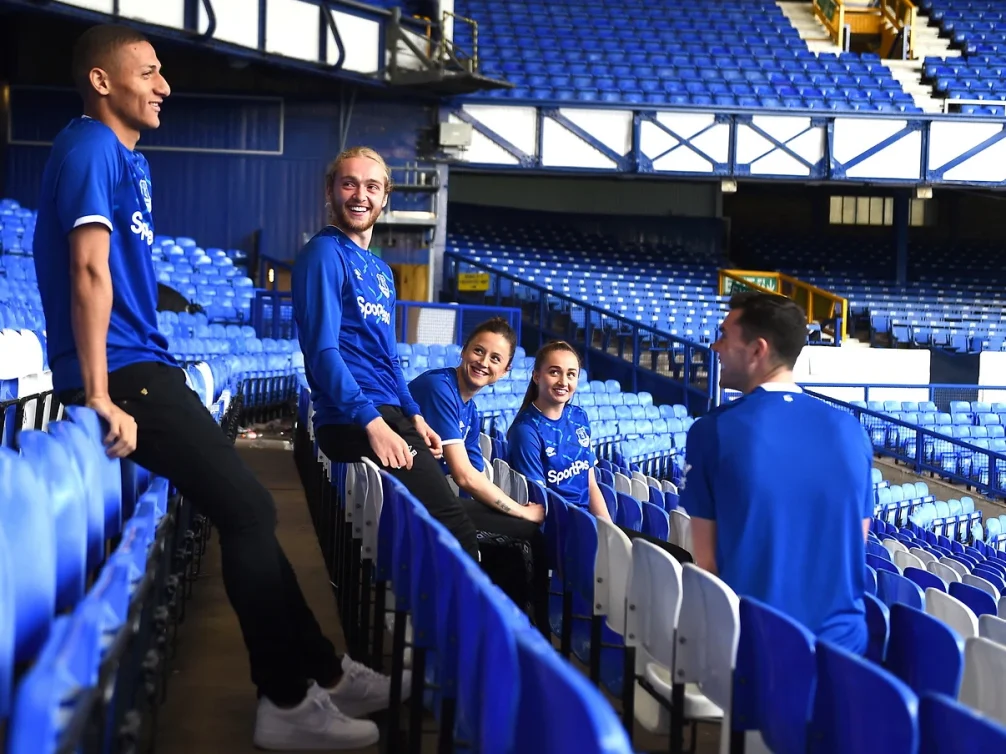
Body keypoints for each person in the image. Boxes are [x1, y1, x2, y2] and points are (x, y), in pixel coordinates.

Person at [33, 24, 398, 751]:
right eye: (149, 71)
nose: (164, 84)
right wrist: (100, 394)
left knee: (249, 508)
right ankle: (289, 699)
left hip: (146, 366)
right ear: (103, 81)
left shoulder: (127, 160)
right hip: (126, 374)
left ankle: (321, 674)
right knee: (249, 509)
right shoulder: (89, 148)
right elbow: (86, 272)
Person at [290, 146, 481, 564]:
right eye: (349, 183)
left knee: (454, 524)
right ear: (330, 191)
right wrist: (372, 423)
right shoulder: (325, 253)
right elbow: (322, 353)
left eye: (372, 186)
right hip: (353, 418)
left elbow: (387, 356)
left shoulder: (379, 271)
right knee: (460, 537)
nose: (360, 195)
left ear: (385, 197)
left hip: (388, 413)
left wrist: (414, 414)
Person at [680, 292, 873, 654]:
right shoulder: (851, 429)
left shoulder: (712, 431)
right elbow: (854, 546)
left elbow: (708, 563)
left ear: (757, 350)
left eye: (724, 335)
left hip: (761, 647)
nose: (715, 345)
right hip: (845, 654)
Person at [408, 317, 550, 633]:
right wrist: (520, 512)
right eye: (478, 351)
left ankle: (497, 626)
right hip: (411, 506)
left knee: (510, 533)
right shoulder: (439, 388)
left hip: (424, 500)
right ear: (464, 351)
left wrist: (507, 514)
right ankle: (527, 637)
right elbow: (464, 477)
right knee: (526, 539)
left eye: (495, 359)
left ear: (505, 371)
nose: (483, 362)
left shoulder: (469, 410)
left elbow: (474, 474)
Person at [507, 341, 611, 522]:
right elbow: (540, 504)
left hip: (587, 522)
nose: (563, 382)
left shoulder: (579, 417)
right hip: (558, 527)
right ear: (537, 376)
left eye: (571, 374)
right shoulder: (526, 431)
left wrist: (609, 530)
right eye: (554, 372)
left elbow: (590, 484)